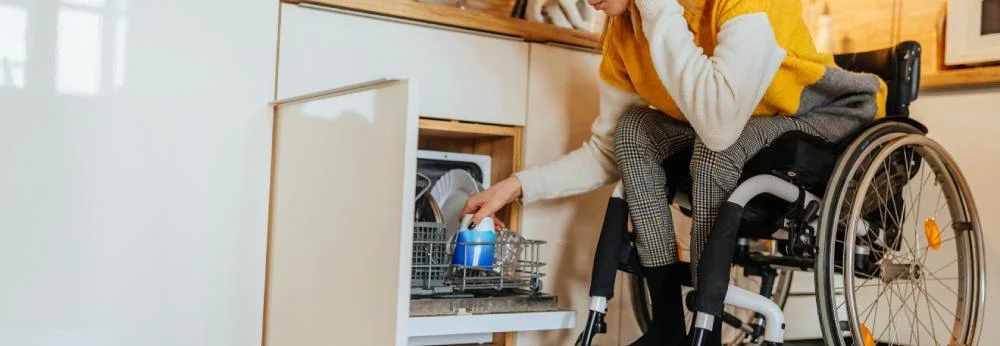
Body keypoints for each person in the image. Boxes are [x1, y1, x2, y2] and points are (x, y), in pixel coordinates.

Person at [463, 0, 886, 344]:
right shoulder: (624, 32)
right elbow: (607, 153)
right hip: (738, 123)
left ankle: (706, 331)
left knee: (715, 150)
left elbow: (718, 127)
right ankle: (667, 326)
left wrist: (657, 7)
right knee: (633, 131)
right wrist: (514, 186)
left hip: (823, 116)